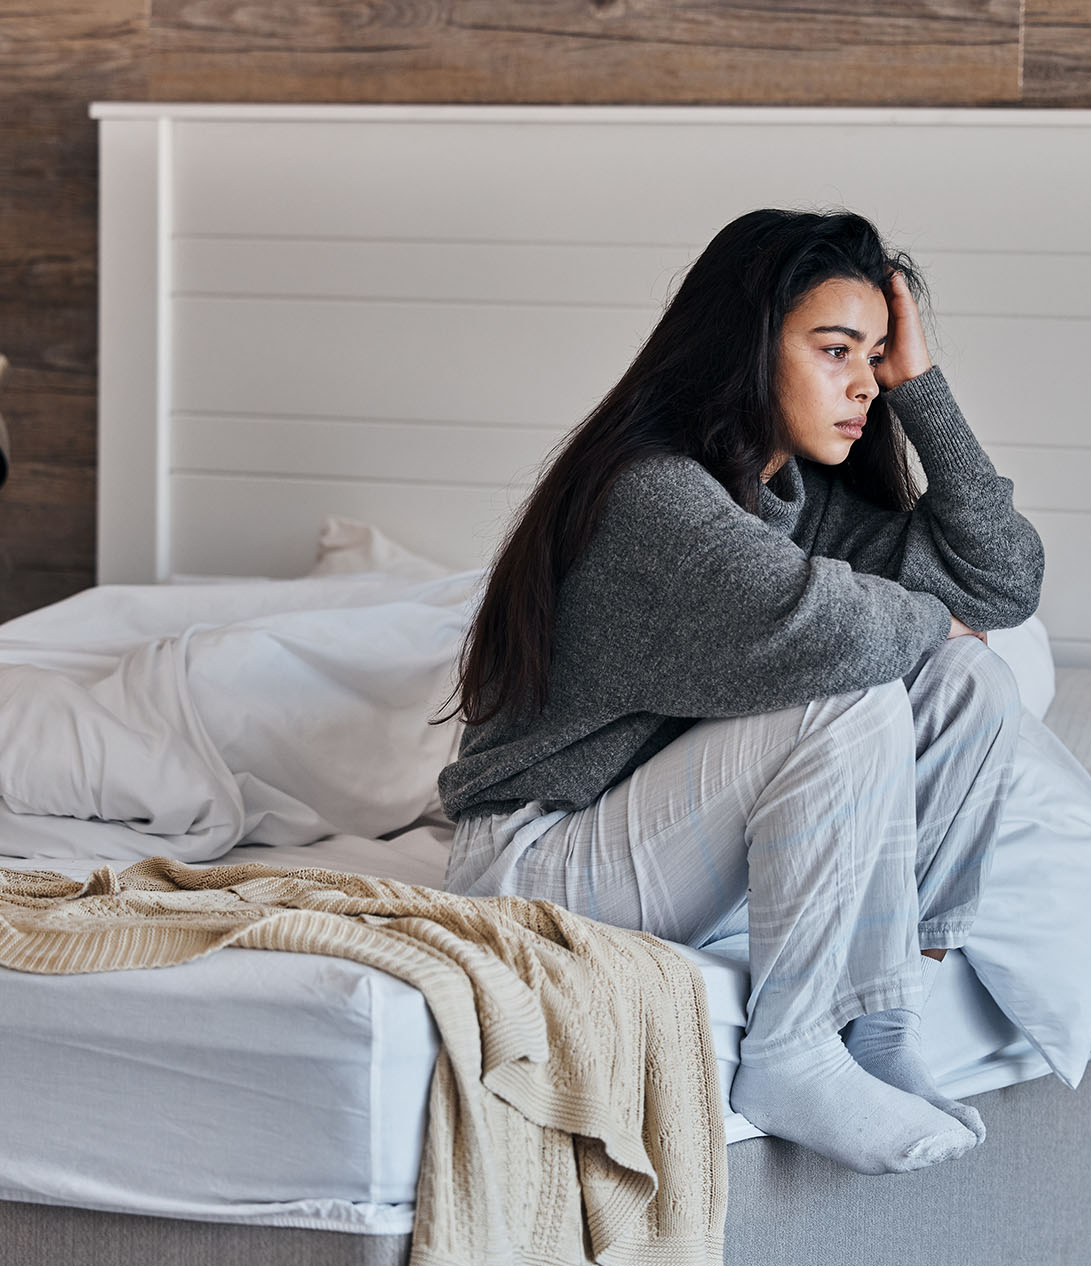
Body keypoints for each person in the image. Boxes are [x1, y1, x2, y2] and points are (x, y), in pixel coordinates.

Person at [436, 209, 1044, 1175]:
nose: (862, 384)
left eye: (876, 358)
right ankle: (793, 1048)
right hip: (536, 859)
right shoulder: (652, 497)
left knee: (973, 680)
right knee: (849, 693)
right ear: (750, 349)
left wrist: (922, 390)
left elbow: (1003, 582)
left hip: (657, 852)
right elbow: (833, 633)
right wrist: (931, 616)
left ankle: (881, 1024)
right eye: (836, 350)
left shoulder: (807, 497)